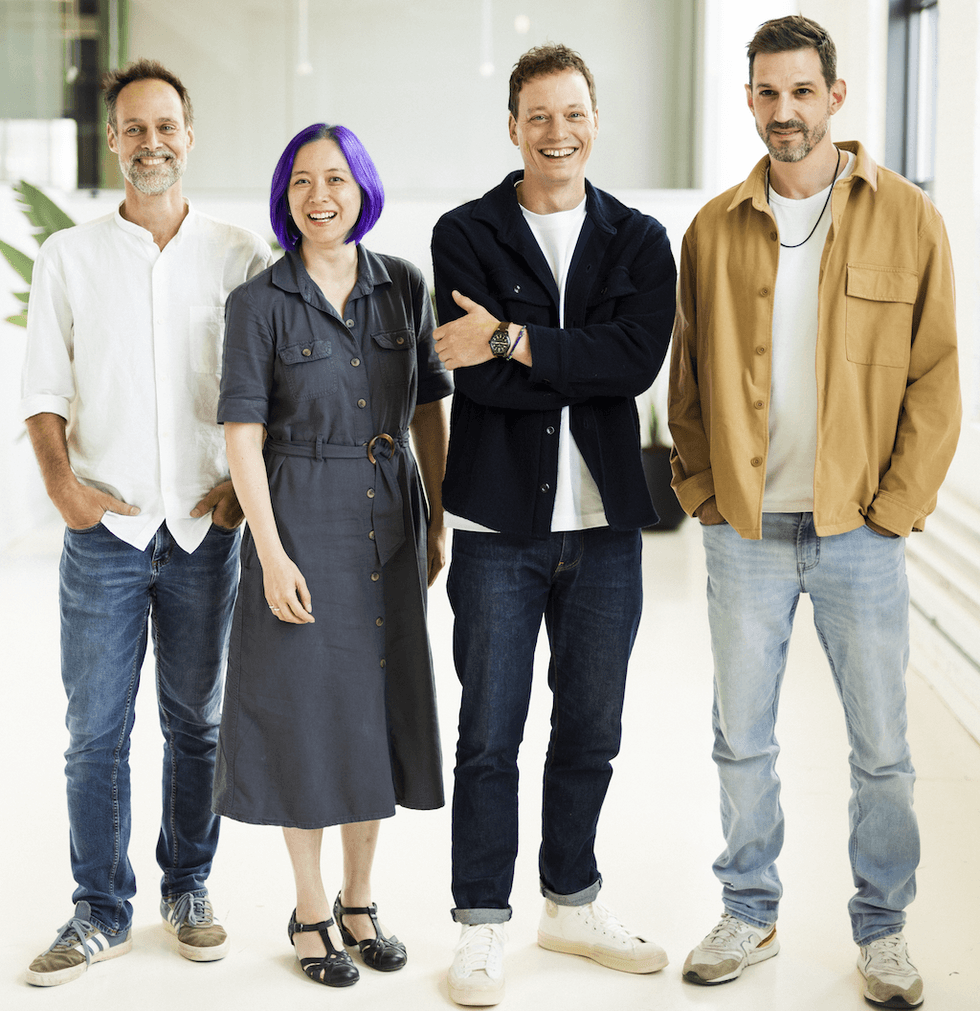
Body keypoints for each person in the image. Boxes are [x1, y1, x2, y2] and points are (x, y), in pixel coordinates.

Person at [668, 15, 960, 1009]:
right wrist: (704, 496)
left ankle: (882, 929)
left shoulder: (909, 219)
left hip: (857, 533)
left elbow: (935, 381)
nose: (783, 110)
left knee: (881, 749)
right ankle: (747, 911)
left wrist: (892, 511)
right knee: (740, 738)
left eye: (800, 91)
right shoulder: (711, 230)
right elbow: (688, 382)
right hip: (745, 532)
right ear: (749, 99)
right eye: (766, 92)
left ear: (835, 95)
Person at [431, 43, 676, 1006]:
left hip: (607, 526)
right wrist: (556, 356)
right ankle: (481, 924)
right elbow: (478, 378)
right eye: (538, 115)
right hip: (497, 526)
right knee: (489, 732)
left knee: (591, 727)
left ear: (595, 122)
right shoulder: (466, 231)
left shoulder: (638, 240)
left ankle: (570, 903)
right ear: (513, 127)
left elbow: (634, 362)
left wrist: (511, 336)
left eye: (573, 113)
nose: (557, 131)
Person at [21, 60, 272, 986]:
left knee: (197, 723)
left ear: (189, 136)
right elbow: (44, 391)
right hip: (107, 533)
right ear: (113, 141)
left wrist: (242, 492)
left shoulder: (240, 254)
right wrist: (65, 490)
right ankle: (100, 908)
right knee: (94, 731)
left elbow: (270, 389)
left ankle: (188, 886)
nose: (150, 142)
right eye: (133, 128)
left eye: (165, 126)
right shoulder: (70, 257)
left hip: (206, 531)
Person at [211, 122, 451, 989]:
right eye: (303, 181)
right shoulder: (259, 302)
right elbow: (243, 436)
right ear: (286, 196)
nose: (321, 196)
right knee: (308, 713)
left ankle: (360, 901)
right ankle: (310, 909)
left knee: (373, 710)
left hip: (391, 513)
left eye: (338, 179)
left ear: (363, 189)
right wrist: (271, 554)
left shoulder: (405, 286)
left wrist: (435, 518)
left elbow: (427, 407)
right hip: (300, 514)